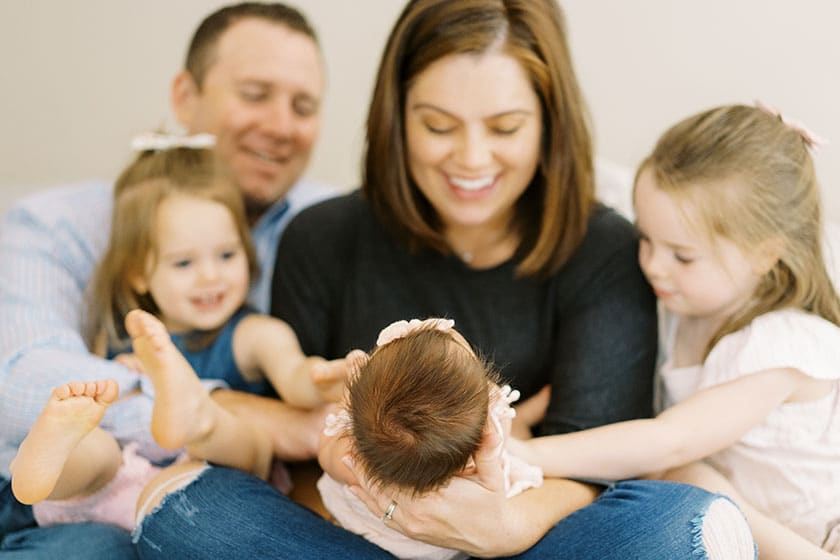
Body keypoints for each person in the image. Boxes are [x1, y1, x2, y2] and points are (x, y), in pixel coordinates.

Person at [132, 1, 757, 558]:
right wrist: (385, 508)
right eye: (437, 126)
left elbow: (597, 473)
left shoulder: (607, 250)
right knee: (186, 504)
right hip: (355, 538)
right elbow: (296, 468)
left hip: (536, 537)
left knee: (687, 523)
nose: (472, 160)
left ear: (549, 123)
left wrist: (503, 527)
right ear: (397, 117)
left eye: (506, 128)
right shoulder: (321, 239)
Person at [0, 3, 335, 557]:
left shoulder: (327, 224)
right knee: (93, 475)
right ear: (185, 95)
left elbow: (301, 378)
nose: (280, 125)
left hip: (215, 488)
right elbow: (18, 378)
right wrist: (224, 407)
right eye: (255, 94)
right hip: (87, 492)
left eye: (303, 105)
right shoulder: (57, 225)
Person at [508, 103, 840, 559]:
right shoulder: (677, 310)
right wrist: (522, 419)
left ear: (765, 255)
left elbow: (669, 440)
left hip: (807, 539)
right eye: (646, 238)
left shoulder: (782, 343)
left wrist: (531, 456)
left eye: (682, 256)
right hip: (720, 529)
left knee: (682, 470)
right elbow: (602, 186)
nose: (653, 265)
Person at [317, 318, 542, 560]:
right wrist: (496, 412)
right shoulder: (480, 451)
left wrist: (347, 401)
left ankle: (525, 419)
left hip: (367, 534)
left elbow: (325, 449)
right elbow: (497, 437)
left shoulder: (350, 460)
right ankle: (525, 420)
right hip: (446, 545)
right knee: (511, 440)